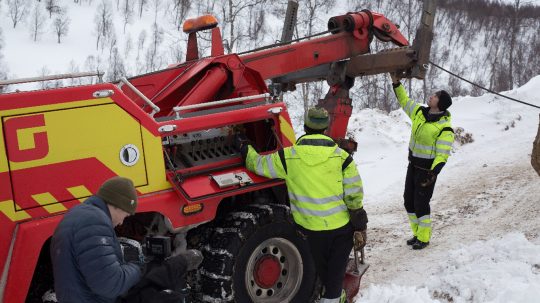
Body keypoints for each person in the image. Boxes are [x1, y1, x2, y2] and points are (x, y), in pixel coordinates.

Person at [238, 107, 368, 303]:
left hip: (310, 229)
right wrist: (359, 222)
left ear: (305, 127)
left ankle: (334, 296)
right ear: (326, 128)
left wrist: (244, 145)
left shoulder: (287, 157)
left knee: (324, 272)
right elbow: (354, 195)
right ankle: (334, 297)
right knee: (334, 276)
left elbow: (256, 164)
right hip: (341, 230)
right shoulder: (342, 158)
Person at [50, 176, 142, 303]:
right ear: (118, 205)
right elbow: (110, 284)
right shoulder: (94, 222)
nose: (121, 222)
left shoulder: (77, 213)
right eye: (125, 215)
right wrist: (137, 268)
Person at [390, 73, 455, 250]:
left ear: (439, 104)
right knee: (408, 201)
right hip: (413, 166)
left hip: (427, 171)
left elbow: (442, 154)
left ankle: (424, 238)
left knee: (420, 204)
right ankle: (417, 233)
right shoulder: (419, 112)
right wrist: (396, 83)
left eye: (435, 96)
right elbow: (404, 100)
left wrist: (433, 173)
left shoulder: (445, 127)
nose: (431, 96)